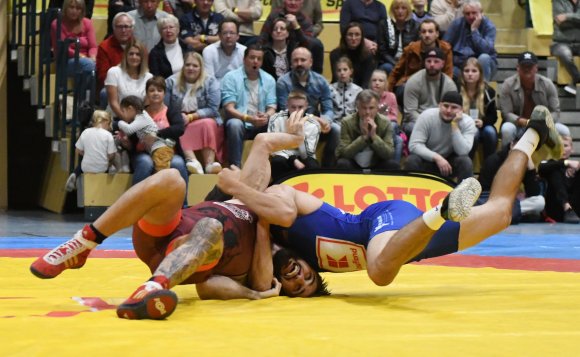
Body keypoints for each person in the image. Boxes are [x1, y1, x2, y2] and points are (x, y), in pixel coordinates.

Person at [216, 104, 561, 297]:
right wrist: (258, 225)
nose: (300, 277)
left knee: (379, 272)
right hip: (406, 243)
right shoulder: (268, 240)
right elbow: (261, 283)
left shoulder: (280, 200)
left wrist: (240, 188)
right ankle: (533, 133)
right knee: (499, 213)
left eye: (301, 277)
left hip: (382, 221)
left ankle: (440, 212)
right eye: (303, 284)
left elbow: (260, 160)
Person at [30, 112, 309, 318]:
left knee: (210, 227)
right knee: (173, 178)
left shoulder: (260, 274)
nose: (298, 278)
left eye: (297, 288)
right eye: (308, 278)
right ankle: (83, 243)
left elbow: (207, 288)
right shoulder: (250, 200)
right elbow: (262, 142)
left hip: (182, 258)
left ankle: (151, 289)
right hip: (164, 229)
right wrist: (295, 138)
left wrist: (255, 294)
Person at [166, 52, 224, 175]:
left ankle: (209, 164)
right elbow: (165, 107)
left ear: (201, 68)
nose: (191, 68)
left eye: (195, 65)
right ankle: (192, 161)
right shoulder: (171, 82)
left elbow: (213, 109)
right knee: (178, 124)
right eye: (187, 65)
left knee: (207, 123)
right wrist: (178, 116)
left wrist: (191, 116)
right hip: (180, 119)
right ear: (183, 66)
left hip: (204, 118)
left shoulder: (210, 81)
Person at [277, 47, 335, 167]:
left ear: (311, 62)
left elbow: (328, 108)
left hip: (315, 122)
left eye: (303, 60)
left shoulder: (321, 81)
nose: (299, 63)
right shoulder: (283, 82)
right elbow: (284, 109)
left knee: (336, 130)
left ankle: (327, 167)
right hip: (291, 120)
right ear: (291, 63)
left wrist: (326, 121)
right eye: (296, 60)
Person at [222, 44, 277, 168]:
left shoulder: (269, 80)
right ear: (244, 59)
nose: (255, 61)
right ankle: (235, 166)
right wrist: (249, 118)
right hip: (241, 122)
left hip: (260, 123)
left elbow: (272, 107)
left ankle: (270, 168)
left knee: (276, 122)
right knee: (234, 124)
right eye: (252, 57)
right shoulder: (231, 77)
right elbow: (229, 108)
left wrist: (266, 115)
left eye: (259, 59)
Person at [129, 76, 188, 187]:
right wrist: (126, 141)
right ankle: (136, 201)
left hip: (169, 152)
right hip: (144, 153)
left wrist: (156, 134)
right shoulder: (139, 113)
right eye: (152, 90)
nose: (156, 93)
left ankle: (183, 204)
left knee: (178, 163)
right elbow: (131, 135)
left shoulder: (171, 110)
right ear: (146, 93)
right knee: (145, 163)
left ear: (164, 94)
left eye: (159, 90)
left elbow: (179, 128)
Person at [405, 91, 476, 182]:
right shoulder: (427, 116)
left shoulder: (468, 122)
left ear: (461, 110)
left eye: (454, 107)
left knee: (465, 162)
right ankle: (412, 193)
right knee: (412, 160)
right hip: (428, 159)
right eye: (445, 106)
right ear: (439, 105)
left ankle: (463, 195)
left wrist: (454, 125)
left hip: (449, 164)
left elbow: (463, 151)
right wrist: (437, 158)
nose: (448, 110)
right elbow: (414, 145)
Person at [499, 51, 561, 150]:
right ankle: (506, 159)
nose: (527, 69)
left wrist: (543, 122)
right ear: (518, 68)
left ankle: (559, 164)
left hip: (543, 125)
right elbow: (506, 113)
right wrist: (524, 122)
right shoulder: (507, 85)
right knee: (507, 129)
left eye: (530, 66)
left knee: (563, 130)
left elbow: (555, 112)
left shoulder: (547, 84)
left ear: (536, 68)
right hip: (518, 125)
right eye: (524, 66)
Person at [387, 19, 453, 107]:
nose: (427, 35)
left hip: (435, 84)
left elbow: (448, 74)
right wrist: (387, 93)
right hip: (412, 83)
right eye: (424, 31)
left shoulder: (446, 49)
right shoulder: (411, 49)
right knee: (402, 90)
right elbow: (396, 72)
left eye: (430, 31)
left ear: (437, 34)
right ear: (420, 34)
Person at [335, 90, 399, 171]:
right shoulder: (347, 122)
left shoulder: (385, 123)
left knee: (392, 165)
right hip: (353, 165)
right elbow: (343, 153)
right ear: (358, 107)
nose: (367, 112)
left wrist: (374, 137)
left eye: (371, 108)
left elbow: (389, 154)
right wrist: (363, 138)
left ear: (377, 108)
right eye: (364, 108)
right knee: (342, 163)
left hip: (376, 165)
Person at [402, 47, 457, 136]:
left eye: (436, 61)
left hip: (441, 121)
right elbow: (410, 112)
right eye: (428, 61)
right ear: (424, 63)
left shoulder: (449, 85)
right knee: (412, 128)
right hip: (417, 121)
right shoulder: (414, 81)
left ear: (442, 64)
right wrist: (428, 125)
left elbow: (451, 111)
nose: (432, 64)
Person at [259, 0, 324, 74]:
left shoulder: (305, 19)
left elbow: (307, 43)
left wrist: (296, 26)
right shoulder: (274, 14)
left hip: (296, 50)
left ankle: (316, 78)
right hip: (274, 51)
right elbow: (263, 36)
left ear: (302, 3)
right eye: (289, 0)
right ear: (284, 1)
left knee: (316, 44)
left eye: (297, 0)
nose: (293, 3)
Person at [268, 90, 320, 182]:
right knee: (277, 161)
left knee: (312, 164)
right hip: (283, 155)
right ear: (287, 105)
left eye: (300, 107)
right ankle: (278, 189)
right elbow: (273, 147)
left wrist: (298, 133)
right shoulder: (276, 119)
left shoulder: (313, 124)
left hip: (302, 156)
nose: (296, 111)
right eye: (293, 107)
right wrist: (293, 159)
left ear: (306, 106)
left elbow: (307, 153)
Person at [65, 110, 121, 192]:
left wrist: (88, 154)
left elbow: (78, 150)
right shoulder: (108, 135)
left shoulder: (85, 132)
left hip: (85, 167)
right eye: (109, 124)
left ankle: (75, 174)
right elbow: (111, 155)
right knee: (114, 154)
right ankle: (111, 167)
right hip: (102, 168)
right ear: (105, 121)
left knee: (87, 159)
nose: (109, 127)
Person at [117, 95, 175, 173]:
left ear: (130, 108)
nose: (123, 115)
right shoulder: (141, 116)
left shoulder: (142, 117)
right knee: (158, 173)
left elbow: (129, 130)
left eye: (123, 111)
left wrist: (120, 122)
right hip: (158, 150)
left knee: (161, 174)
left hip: (161, 149)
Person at [443, 0, 498, 81]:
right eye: (467, 14)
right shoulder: (456, 24)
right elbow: (444, 46)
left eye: (474, 13)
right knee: (450, 68)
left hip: (483, 65)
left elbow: (486, 50)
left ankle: (482, 90)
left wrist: (474, 31)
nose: (471, 16)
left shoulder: (489, 26)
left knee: (484, 58)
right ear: (463, 14)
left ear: (481, 13)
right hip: (461, 65)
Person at [458, 57, 498, 160]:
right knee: (473, 133)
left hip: (483, 125)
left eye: (474, 71)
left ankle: (489, 166)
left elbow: (493, 116)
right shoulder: (457, 90)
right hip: (462, 126)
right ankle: (467, 165)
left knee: (491, 132)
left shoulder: (489, 91)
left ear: (480, 73)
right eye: (467, 71)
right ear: (462, 73)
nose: (470, 74)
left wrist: (483, 122)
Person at [539, 131, 580, 223]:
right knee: (555, 171)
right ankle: (566, 206)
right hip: (555, 209)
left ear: (572, 149)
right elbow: (540, 168)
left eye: (565, 146)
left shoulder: (575, 166)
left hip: (575, 211)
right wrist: (566, 163)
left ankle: (571, 210)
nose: (562, 149)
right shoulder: (549, 164)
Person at [104, 41, 153, 119]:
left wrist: (138, 123)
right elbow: (113, 103)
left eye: (138, 54)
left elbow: (147, 105)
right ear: (125, 56)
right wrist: (127, 120)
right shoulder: (114, 72)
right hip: (115, 119)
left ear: (142, 57)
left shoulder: (149, 77)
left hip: (138, 121)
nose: (134, 57)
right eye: (131, 54)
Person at [96, 12, 134, 107]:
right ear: (113, 28)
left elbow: (144, 70)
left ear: (132, 29)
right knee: (105, 93)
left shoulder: (138, 46)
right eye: (120, 26)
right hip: (113, 85)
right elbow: (103, 76)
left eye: (127, 26)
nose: (123, 30)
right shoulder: (104, 47)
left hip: (135, 83)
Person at [50, 0, 98, 76]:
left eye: (78, 8)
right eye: (71, 7)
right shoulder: (57, 24)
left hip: (87, 60)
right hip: (65, 61)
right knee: (88, 65)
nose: (74, 11)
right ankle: (88, 88)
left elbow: (93, 46)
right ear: (65, 8)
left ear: (82, 10)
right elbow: (63, 48)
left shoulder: (87, 23)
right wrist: (81, 56)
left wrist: (93, 57)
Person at [369, 69, 404, 164]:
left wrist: (382, 121)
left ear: (385, 84)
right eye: (374, 80)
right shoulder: (366, 96)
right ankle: (389, 163)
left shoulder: (391, 96)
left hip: (388, 125)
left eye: (381, 81)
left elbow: (394, 116)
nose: (377, 83)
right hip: (371, 126)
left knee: (392, 126)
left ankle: (392, 167)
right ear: (370, 82)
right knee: (399, 140)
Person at [377, 0, 420, 74]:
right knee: (386, 67)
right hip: (390, 62)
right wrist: (396, 64)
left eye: (403, 8)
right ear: (392, 10)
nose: (400, 11)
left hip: (408, 62)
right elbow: (382, 51)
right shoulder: (384, 24)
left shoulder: (415, 26)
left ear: (408, 10)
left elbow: (417, 49)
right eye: (396, 8)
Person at [329, 22, 376, 89]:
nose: (353, 38)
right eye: (350, 35)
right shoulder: (335, 54)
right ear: (345, 37)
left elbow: (366, 81)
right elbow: (336, 78)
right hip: (339, 90)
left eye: (357, 35)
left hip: (361, 92)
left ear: (362, 37)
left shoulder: (368, 56)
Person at [261, 18, 308, 82]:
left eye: (282, 29)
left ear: (287, 33)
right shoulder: (265, 51)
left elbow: (307, 44)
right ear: (271, 34)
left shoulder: (293, 50)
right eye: (275, 29)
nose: (278, 31)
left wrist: (296, 26)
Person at [551, 0, 580, 95]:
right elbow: (561, 22)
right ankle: (577, 78)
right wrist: (576, 20)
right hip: (560, 42)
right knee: (565, 54)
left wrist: (567, 17)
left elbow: (564, 19)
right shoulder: (558, 1)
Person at [329, 57, 363, 122]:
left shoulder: (358, 90)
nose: (342, 73)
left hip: (352, 123)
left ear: (351, 71)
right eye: (339, 70)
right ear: (336, 73)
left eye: (345, 69)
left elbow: (359, 112)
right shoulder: (330, 89)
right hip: (335, 122)